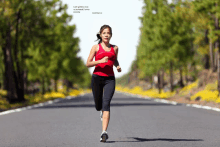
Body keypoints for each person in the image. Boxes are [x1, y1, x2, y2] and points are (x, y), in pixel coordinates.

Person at [86, 24, 122, 142]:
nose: (107, 35)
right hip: (97, 78)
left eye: (109, 33)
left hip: (110, 79)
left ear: (111, 35)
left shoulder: (115, 48)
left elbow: (114, 59)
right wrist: (100, 61)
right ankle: (101, 111)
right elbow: (88, 63)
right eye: (104, 33)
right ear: (101, 35)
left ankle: (104, 132)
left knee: (106, 103)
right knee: (98, 105)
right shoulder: (95, 47)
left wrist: (117, 66)